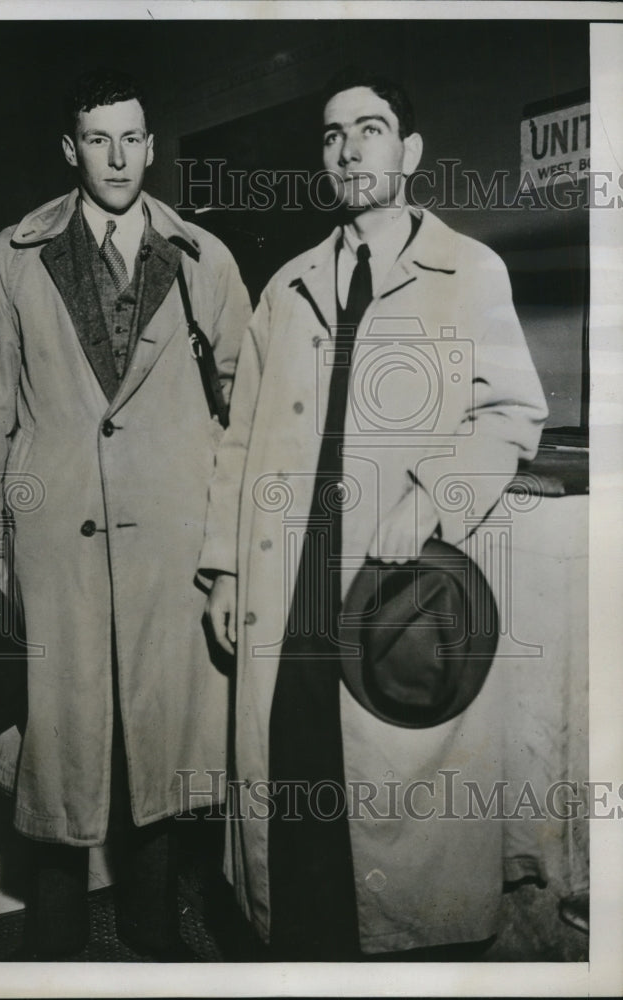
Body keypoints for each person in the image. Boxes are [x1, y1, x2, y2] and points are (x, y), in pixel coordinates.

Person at [201, 69, 549, 960]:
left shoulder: (470, 270)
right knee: (298, 780)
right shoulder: (284, 288)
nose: (350, 148)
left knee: (393, 801)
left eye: (371, 128)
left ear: (410, 151)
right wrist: (226, 568)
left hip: (392, 588)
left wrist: (435, 494)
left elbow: (512, 412)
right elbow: (238, 443)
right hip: (288, 584)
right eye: (331, 134)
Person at [0, 68, 250, 959]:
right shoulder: (16, 256)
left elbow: (246, 402)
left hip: (171, 548)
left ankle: (156, 949)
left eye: (132, 139)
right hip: (57, 547)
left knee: (160, 757)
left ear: (152, 147)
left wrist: (234, 543)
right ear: (70, 148)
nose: (117, 157)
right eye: (98, 139)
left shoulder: (205, 259)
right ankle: (54, 954)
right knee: (58, 751)